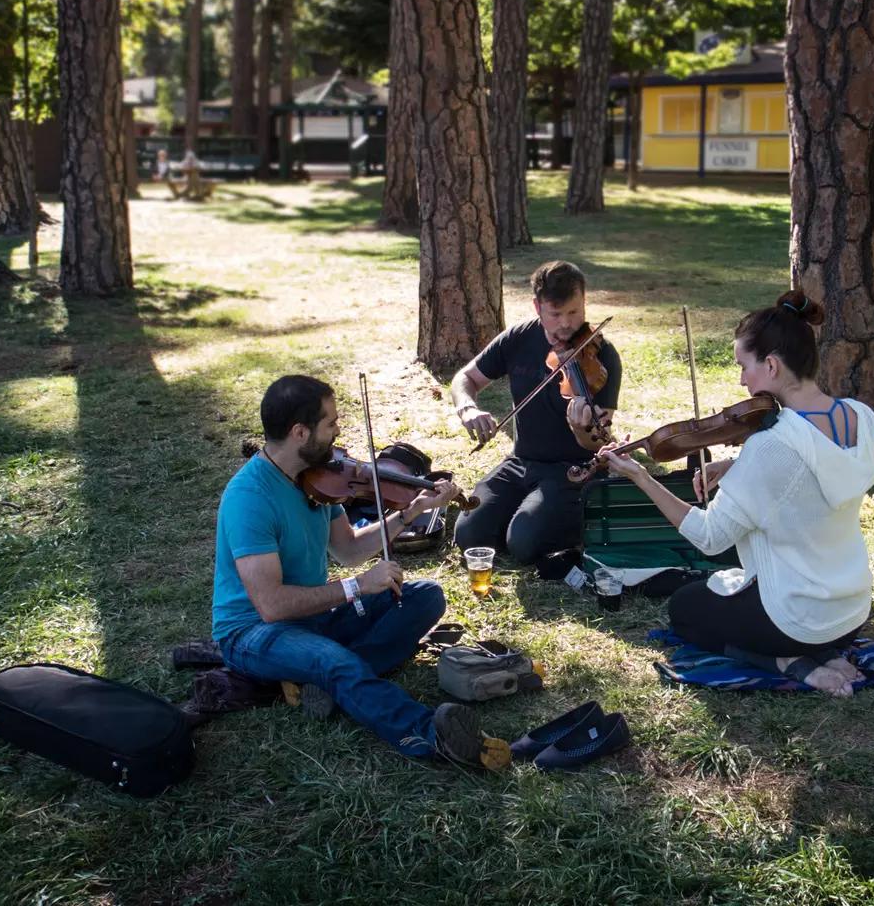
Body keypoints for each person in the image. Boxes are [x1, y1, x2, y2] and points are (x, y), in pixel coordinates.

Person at [212, 374, 510, 768]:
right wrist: (356, 587)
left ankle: (323, 686)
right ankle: (432, 736)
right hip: (252, 632)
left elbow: (349, 548)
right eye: (331, 424)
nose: (339, 432)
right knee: (333, 661)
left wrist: (410, 512)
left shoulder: (315, 478)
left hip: (313, 616)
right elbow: (272, 605)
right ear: (301, 433)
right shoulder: (249, 498)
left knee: (424, 597)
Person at [595, 291, 874, 697]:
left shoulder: (770, 446)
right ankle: (826, 653)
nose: (742, 381)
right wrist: (737, 467)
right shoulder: (862, 417)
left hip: (796, 620)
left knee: (685, 610)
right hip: (851, 611)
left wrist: (641, 476)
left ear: (771, 364)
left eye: (744, 367)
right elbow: (813, 475)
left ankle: (786, 661)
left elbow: (710, 538)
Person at [451, 260, 622, 566]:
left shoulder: (602, 355)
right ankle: (528, 513)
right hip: (521, 462)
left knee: (523, 544)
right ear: (537, 307)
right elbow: (466, 378)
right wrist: (467, 407)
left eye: (574, 311)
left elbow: (599, 444)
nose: (566, 324)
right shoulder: (518, 338)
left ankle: (568, 513)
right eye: (555, 314)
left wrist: (581, 429)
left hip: (573, 469)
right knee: (469, 535)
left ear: (584, 301)